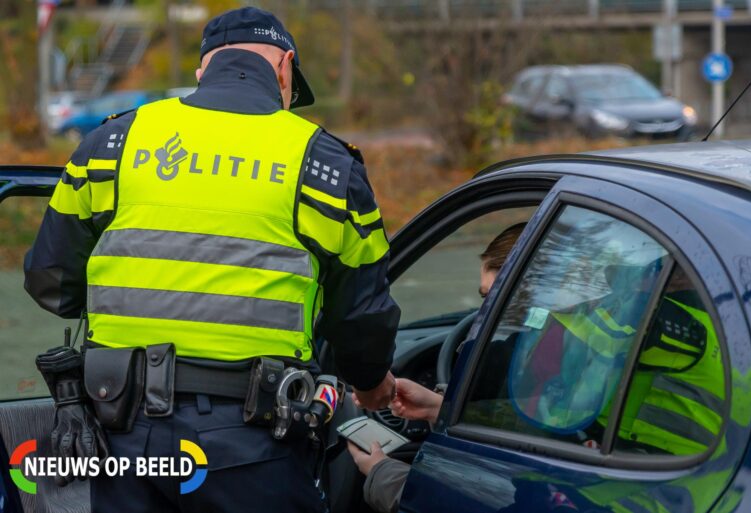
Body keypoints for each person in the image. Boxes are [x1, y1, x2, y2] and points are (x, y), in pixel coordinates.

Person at [24, 7, 399, 513]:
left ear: (203, 70)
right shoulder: (324, 165)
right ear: (285, 68)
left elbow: (50, 282)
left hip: (120, 435)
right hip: (254, 443)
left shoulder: (110, 144)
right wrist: (375, 388)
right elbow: (361, 317)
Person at [348, 223, 526, 513]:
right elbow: (530, 430)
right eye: (485, 300)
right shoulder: (576, 354)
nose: (487, 314)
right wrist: (440, 409)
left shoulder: (547, 359)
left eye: (498, 299)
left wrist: (383, 475)